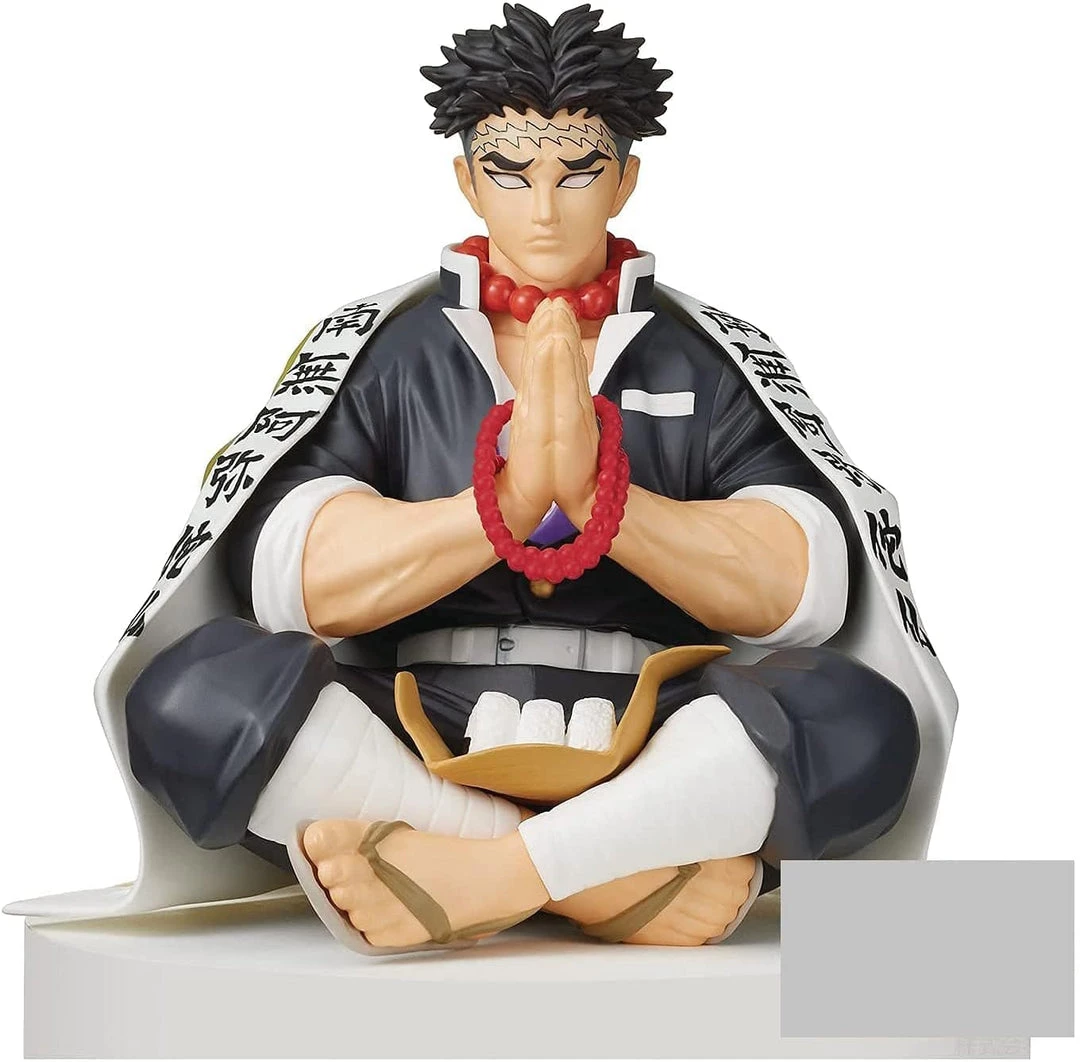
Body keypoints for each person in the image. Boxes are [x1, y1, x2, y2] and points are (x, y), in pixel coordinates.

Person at [11, 4, 955, 952]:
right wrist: (498, 507)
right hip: (420, 715)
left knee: (862, 722)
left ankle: (474, 875)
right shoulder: (386, 345)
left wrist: (606, 505)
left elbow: (805, 589)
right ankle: (603, 872)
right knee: (190, 700)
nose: (543, 209)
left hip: (656, 724)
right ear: (466, 180)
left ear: (626, 179)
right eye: (510, 172)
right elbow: (290, 578)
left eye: (578, 172)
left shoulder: (709, 353)